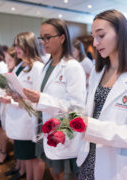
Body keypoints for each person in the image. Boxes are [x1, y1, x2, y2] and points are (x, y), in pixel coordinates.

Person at [76, 9, 127, 180]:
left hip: (119, 166)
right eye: (93, 37)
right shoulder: (99, 71)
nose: (95, 43)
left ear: (121, 34)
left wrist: (91, 127)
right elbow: (92, 112)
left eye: (101, 36)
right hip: (90, 156)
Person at [23, 18, 87, 180]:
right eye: (41, 38)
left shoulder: (72, 67)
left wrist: (42, 98)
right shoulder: (47, 65)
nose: (43, 42)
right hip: (47, 128)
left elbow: (77, 107)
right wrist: (25, 95)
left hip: (65, 132)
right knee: (54, 173)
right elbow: (40, 95)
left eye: (47, 37)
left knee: (64, 174)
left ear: (62, 38)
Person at [2, 32, 44, 180]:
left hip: (29, 120)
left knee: (33, 157)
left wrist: (15, 100)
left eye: (19, 45)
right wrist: (10, 95)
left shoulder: (38, 67)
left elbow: (38, 98)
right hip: (18, 118)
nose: (16, 49)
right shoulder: (20, 65)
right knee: (26, 157)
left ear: (29, 46)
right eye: (15, 45)